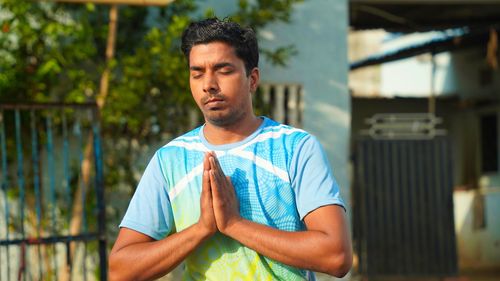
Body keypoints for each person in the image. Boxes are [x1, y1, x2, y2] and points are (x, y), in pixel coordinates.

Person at [108, 17, 352, 281]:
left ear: (253, 79)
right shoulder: (170, 160)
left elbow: (336, 256)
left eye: (223, 70)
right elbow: (121, 270)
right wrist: (201, 229)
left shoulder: (296, 148)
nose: (208, 84)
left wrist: (234, 224)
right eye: (197, 72)